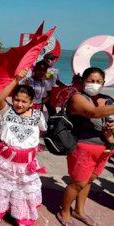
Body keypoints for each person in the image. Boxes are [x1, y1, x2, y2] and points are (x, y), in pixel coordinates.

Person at [0, 68, 47, 226]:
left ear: (31, 103)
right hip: (6, 162)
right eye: (16, 100)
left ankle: (21, 217)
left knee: (22, 191)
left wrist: (29, 147)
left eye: (24, 101)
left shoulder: (38, 116)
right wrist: (16, 79)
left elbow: (41, 131)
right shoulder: (7, 112)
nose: (19, 104)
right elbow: (0, 97)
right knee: (2, 189)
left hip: (26, 164)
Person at [58, 67, 114, 226]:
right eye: (91, 81)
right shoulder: (77, 98)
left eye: (98, 81)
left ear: (104, 83)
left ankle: (79, 210)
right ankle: (64, 211)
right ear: (83, 81)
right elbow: (93, 113)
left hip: (105, 149)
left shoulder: (108, 99)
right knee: (78, 183)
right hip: (83, 148)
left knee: (89, 181)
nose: (94, 84)